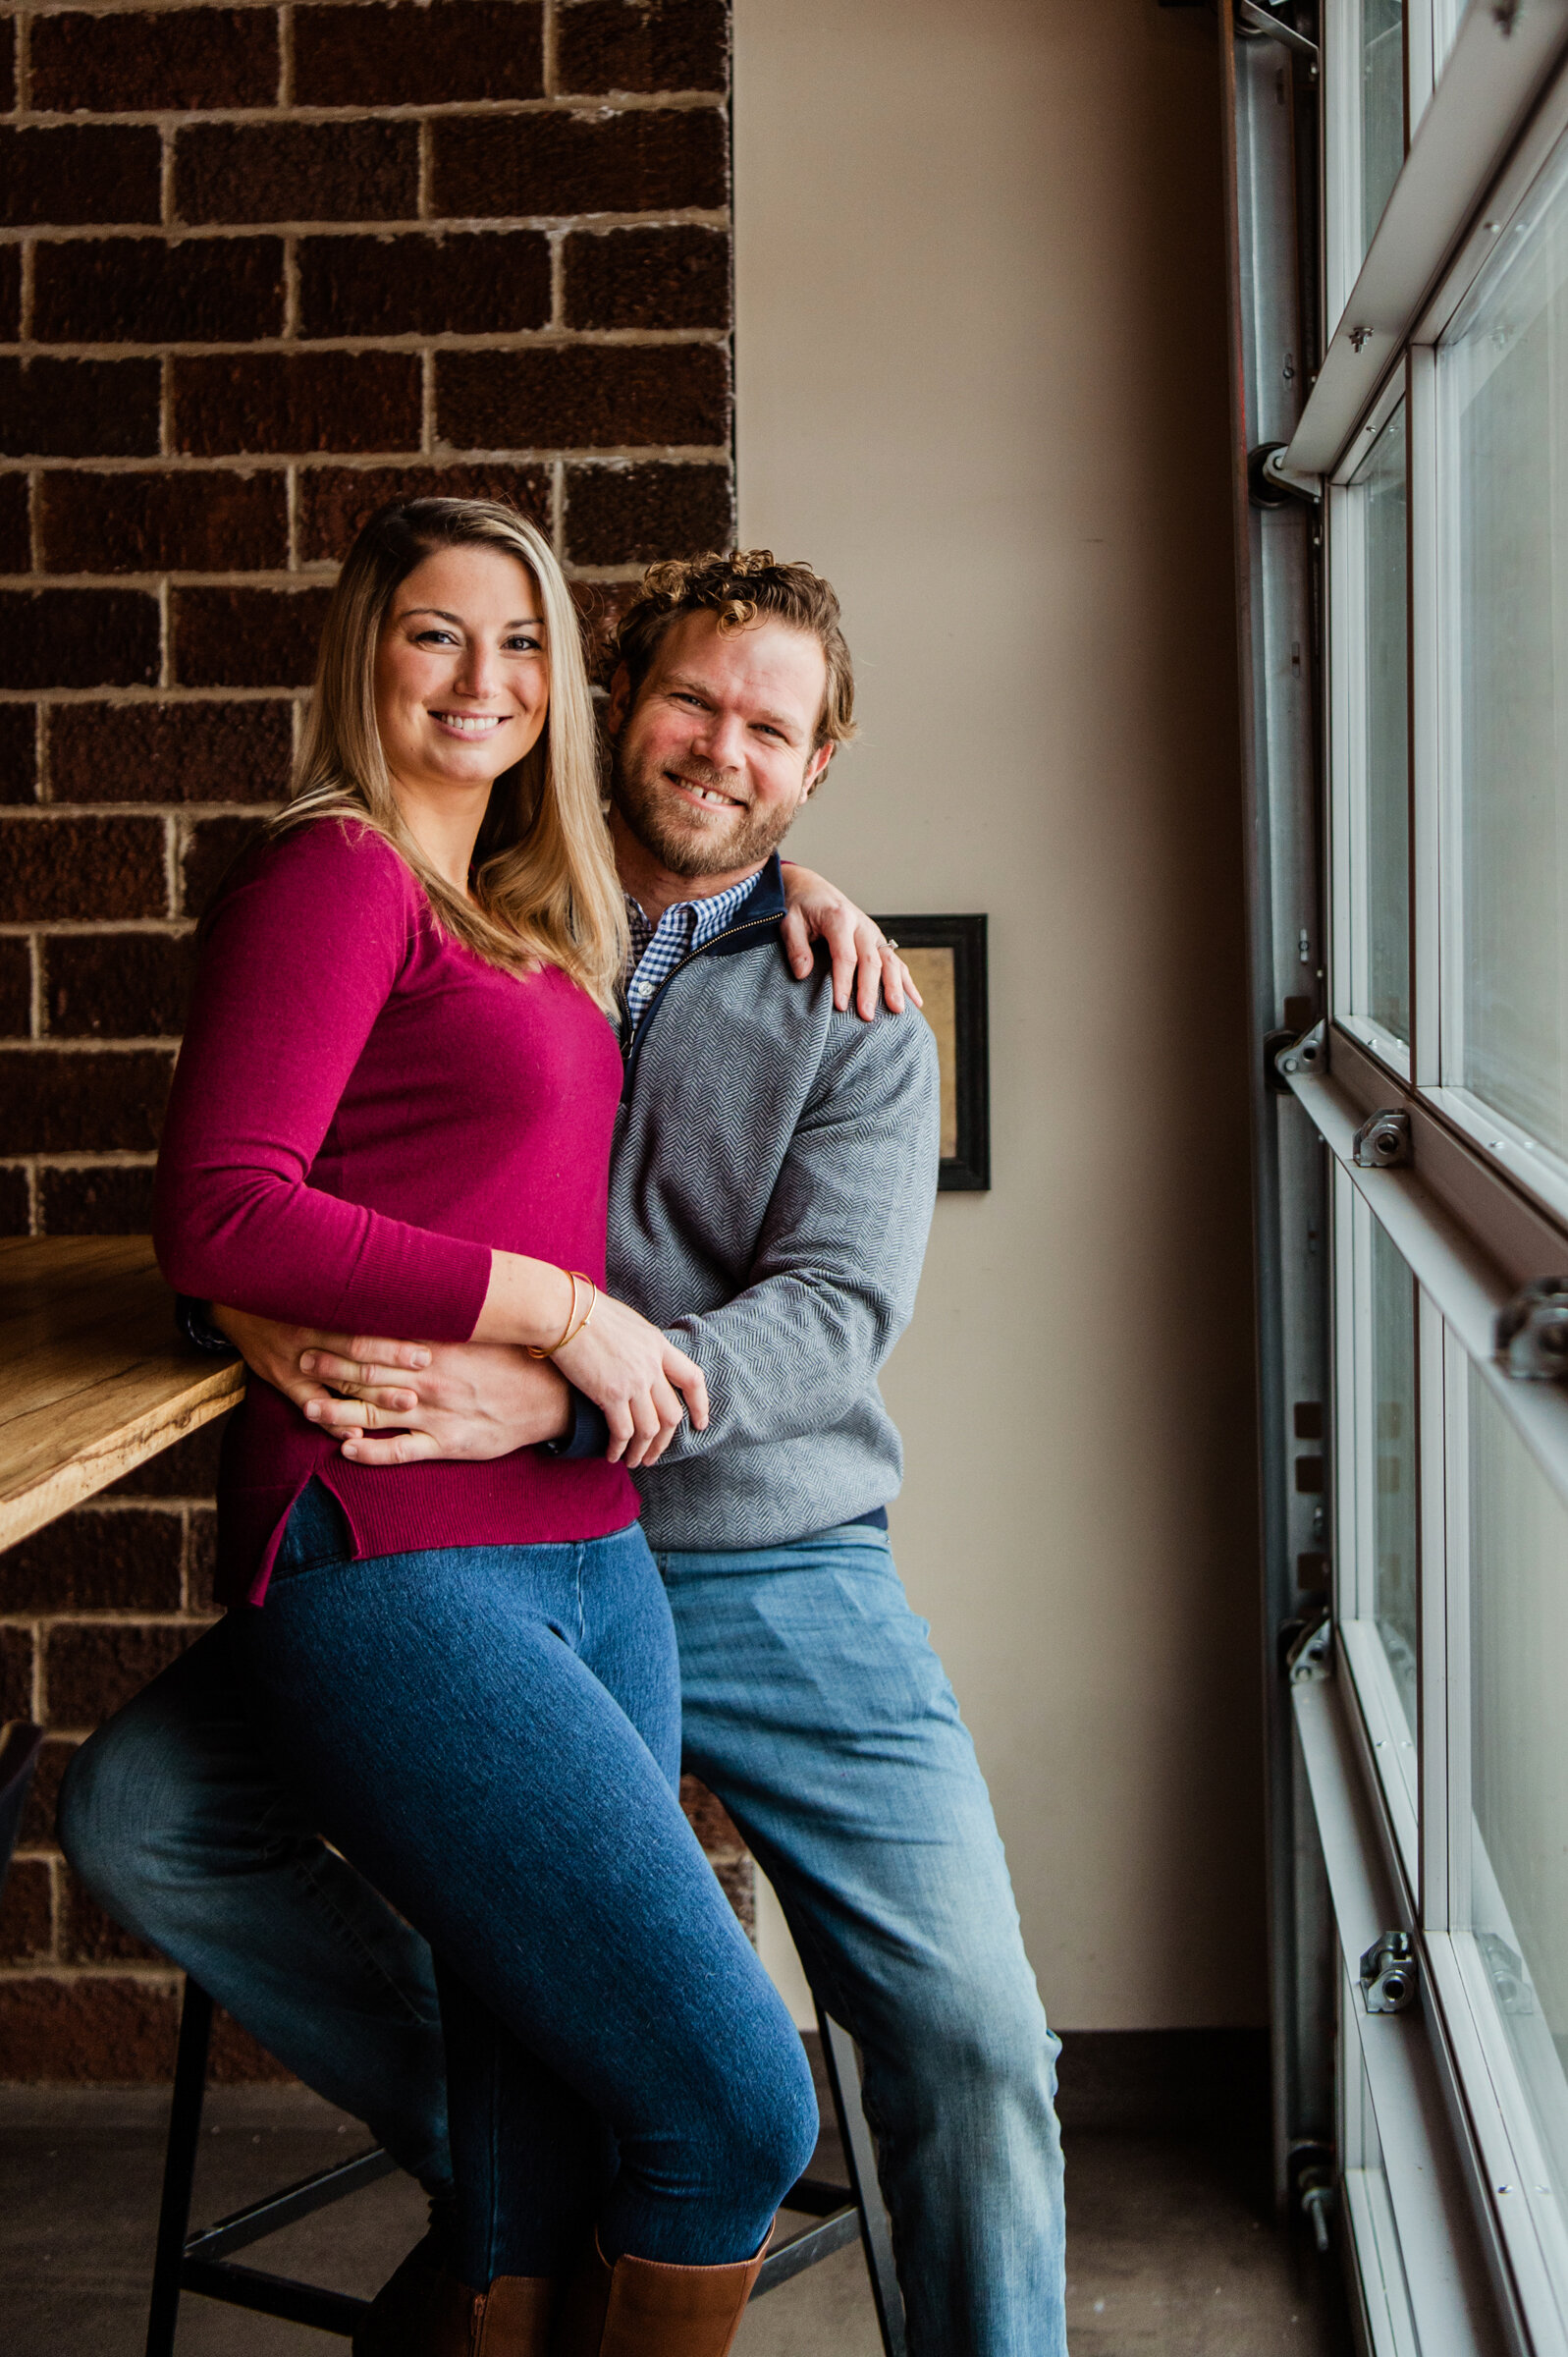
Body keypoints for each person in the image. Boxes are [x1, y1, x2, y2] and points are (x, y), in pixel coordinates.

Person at [62, 549, 1068, 2357]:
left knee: (974, 2031)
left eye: (773, 729)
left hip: (766, 1551)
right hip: (460, 1534)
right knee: (142, 1812)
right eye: (693, 702)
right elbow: (308, 1173)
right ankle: (544, 2148)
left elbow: (834, 1312)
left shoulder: (852, 1001)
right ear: (619, 706)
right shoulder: (507, 906)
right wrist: (250, 1310)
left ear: (816, 766)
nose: (723, 749)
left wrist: (582, 1379)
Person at [126, 500, 842, 2357]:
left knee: (536, 2148)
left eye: (519, 642)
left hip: (590, 1556)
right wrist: (562, 1309)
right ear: (362, 651)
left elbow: (714, 844)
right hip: (388, 1550)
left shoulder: (535, 906)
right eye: (436, 634)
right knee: (738, 2109)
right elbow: (220, 1207)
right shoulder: (338, 872)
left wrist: (808, 889)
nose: (483, 679)